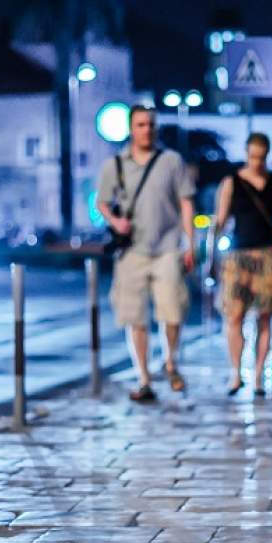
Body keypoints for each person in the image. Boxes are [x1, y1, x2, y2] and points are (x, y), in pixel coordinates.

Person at [95, 104, 196, 402]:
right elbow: (102, 202)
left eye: (150, 124)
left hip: (167, 246)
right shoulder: (115, 164)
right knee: (135, 317)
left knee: (173, 311)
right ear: (131, 128)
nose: (146, 130)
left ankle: (170, 362)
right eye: (140, 125)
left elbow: (186, 203)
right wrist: (115, 221)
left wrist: (190, 243)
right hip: (132, 252)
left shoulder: (171, 161)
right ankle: (143, 377)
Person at [212, 132, 272, 397]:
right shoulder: (231, 182)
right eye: (252, 156)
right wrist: (211, 254)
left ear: (267, 155)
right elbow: (221, 219)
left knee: (265, 318)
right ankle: (236, 373)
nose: (256, 162)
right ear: (246, 153)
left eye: (261, 157)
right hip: (238, 257)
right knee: (234, 315)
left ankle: (259, 375)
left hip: (267, 254)